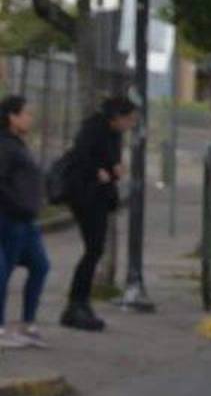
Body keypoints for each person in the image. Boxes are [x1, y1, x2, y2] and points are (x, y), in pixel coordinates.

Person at [61, 95, 137, 331]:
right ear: (116, 117)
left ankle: (80, 302)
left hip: (101, 196)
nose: (130, 124)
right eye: (128, 119)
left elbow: (111, 163)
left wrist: (114, 170)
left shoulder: (114, 135)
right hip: (85, 195)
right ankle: (76, 302)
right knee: (94, 248)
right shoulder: (93, 129)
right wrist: (98, 171)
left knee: (95, 249)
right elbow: (82, 157)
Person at [0, 96, 49, 348]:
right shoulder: (5, 145)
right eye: (26, 113)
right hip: (11, 218)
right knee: (3, 271)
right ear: (12, 116)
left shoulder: (18, 144)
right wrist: (17, 204)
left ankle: (27, 323)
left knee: (40, 265)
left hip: (26, 220)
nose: (31, 118)